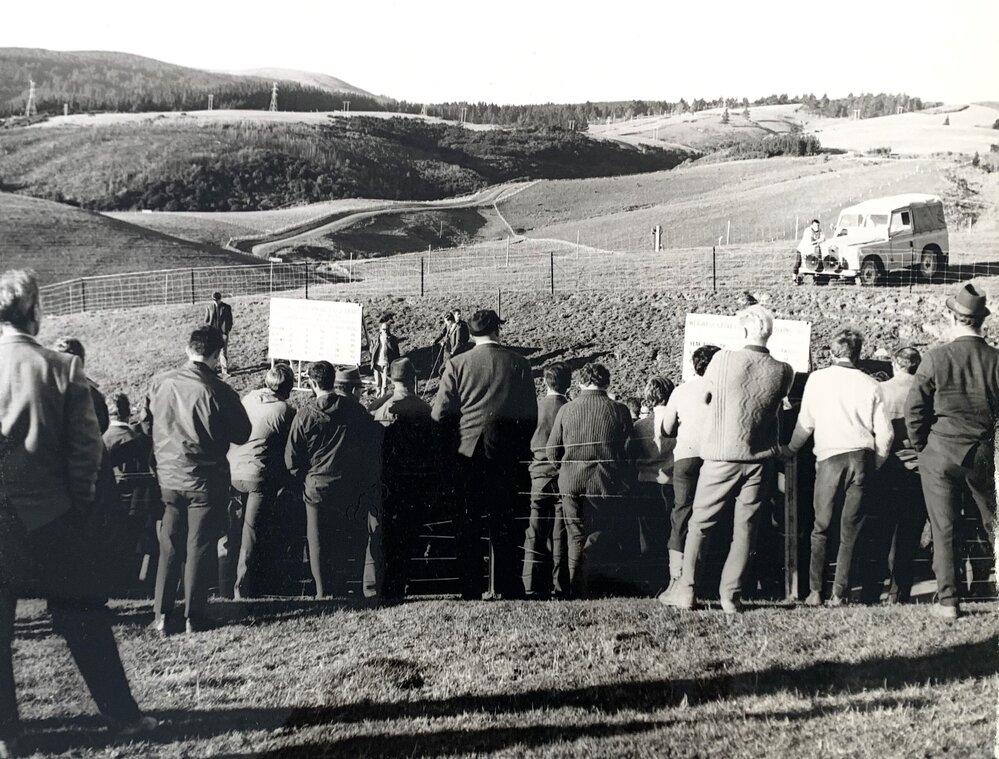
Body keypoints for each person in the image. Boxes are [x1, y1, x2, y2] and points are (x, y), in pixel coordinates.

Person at [0, 269, 156, 753]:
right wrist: (78, 508)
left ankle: (7, 735)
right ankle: (123, 717)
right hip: (54, 519)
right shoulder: (62, 368)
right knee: (85, 620)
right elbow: (88, 456)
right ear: (33, 311)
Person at [660, 305, 794, 614]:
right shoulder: (784, 371)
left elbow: (705, 397)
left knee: (700, 523)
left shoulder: (721, 360)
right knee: (746, 529)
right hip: (759, 460)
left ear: (744, 330)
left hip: (721, 457)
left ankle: (686, 590)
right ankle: (731, 596)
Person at [143, 326, 251, 634]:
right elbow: (242, 433)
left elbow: (146, 424)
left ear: (188, 349)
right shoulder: (218, 390)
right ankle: (194, 615)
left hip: (169, 478)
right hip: (205, 480)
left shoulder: (159, 383)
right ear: (217, 355)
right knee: (199, 547)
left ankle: (162, 615)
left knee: (169, 545)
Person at [905, 284, 999, 621]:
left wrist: (922, 447)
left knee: (943, 528)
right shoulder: (996, 360)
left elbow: (914, 411)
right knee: (993, 525)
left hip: (940, 451)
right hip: (983, 452)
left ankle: (948, 601)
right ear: (981, 321)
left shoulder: (935, 358)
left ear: (952, 318)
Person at [782, 329, 893, 606]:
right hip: (861, 458)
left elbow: (805, 423)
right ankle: (839, 593)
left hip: (830, 458)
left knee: (821, 526)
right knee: (850, 530)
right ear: (858, 354)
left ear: (832, 352)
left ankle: (815, 591)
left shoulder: (818, 379)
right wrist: (875, 462)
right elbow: (886, 434)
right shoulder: (871, 384)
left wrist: (791, 449)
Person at [432, 309, 537, 600]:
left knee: (468, 524)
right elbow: (530, 417)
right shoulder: (519, 364)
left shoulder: (457, 364)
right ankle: (507, 585)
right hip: (505, 457)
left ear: (471, 333)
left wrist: (453, 445)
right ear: (497, 330)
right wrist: (514, 445)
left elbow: (440, 415)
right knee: (506, 523)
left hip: (467, 456)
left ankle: (470, 587)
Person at [286, 364, 382, 600]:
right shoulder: (356, 410)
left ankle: (322, 591)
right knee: (349, 539)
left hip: (317, 488)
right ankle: (349, 587)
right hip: (350, 487)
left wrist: (305, 478)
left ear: (313, 384)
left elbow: (292, 458)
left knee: (317, 541)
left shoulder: (305, 415)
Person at [546, 363, 635, 598]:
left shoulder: (566, 409)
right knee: (602, 532)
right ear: (607, 382)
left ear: (580, 382)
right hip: (606, 483)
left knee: (575, 536)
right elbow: (630, 452)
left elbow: (552, 451)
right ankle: (598, 585)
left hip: (571, 483)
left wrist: (565, 469)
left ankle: (577, 588)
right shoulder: (620, 410)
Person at [225, 364, 296, 599]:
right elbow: (290, 447)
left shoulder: (249, 399)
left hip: (233, 471)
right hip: (258, 475)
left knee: (234, 530)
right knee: (252, 532)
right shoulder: (285, 410)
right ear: (288, 387)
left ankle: (225, 582)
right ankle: (243, 587)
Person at [656, 344, 721, 592]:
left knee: (681, 514)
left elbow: (667, 429)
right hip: (715, 457)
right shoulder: (724, 390)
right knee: (714, 515)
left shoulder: (681, 391)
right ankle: (708, 577)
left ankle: (676, 577)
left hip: (686, 458)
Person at [372, 357, 435, 599]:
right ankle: (411, 581)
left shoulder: (379, 408)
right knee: (412, 533)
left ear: (390, 379)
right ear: (414, 378)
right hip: (416, 482)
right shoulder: (425, 409)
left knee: (388, 534)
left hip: (388, 481)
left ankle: (388, 583)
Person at [872, 347, 927, 603]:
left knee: (882, 529)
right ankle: (899, 591)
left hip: (887, 466)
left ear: (895, 364)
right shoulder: (927, 391)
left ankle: (873, 588)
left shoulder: (881, 390)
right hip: (918, 468)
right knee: (909, 532)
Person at [521, 362, 571, 599]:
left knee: (534, 531)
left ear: (544, 382)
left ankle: (531, 583)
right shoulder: (570, 409)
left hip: (538, 475)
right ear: (568, 384)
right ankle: (560, 585)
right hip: (562, 476)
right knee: (560, 533)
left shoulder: (536, 408)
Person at [628, 376, 676, 595]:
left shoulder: (640, 426)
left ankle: (653, 582)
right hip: (673, 483)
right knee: (673, 533)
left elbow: (631, 454)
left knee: (649, 537)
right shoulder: (680, 424)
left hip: (647, 483)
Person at [203, 291, 234, 377]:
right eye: (214, 300)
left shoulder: (226, 307)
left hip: (223, 333)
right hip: (212, 333)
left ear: (220, 299)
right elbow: (206, 320)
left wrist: (227, 330)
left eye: (217, 300)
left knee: (223, 352)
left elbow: (230, 320)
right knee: (213, 352)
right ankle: (213, 370)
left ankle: (225, 371)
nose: (216, 302)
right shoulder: (209, 307)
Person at [371, 319, 401, 396]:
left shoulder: (392, 339)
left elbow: (396, 352)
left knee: (384, 385)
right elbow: (371, 350)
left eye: (387, 329)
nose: (385, 331)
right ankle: (378, 398)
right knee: (377, 383)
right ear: (380, 329)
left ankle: (383, 398)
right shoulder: (376, 339)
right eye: (384, 329)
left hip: (386, 364)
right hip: (377, 364)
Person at [793, 218, 825, 285]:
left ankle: (814, 280)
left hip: (812, 250)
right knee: (798, 263)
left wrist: (819, 240)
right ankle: (794, 280)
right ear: (812, 225)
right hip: (802, 249)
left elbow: (823, 238)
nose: (817, 227)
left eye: (818, 225)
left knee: (813, 264)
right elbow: (810, 242)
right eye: (815, 226)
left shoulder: (820, 231)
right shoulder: (808, 231)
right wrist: (819, 241)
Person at [431, 312, 457, 377]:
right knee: (443, 366)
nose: (445, 323)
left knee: (443, 369)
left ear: (450, 321)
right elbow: (443, 333)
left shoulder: (457, 328)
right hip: (446, 349)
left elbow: (457, 341)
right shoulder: (448, 325)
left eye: (446, 322)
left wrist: (452, 351)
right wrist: (436, 340)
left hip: (451, 351)